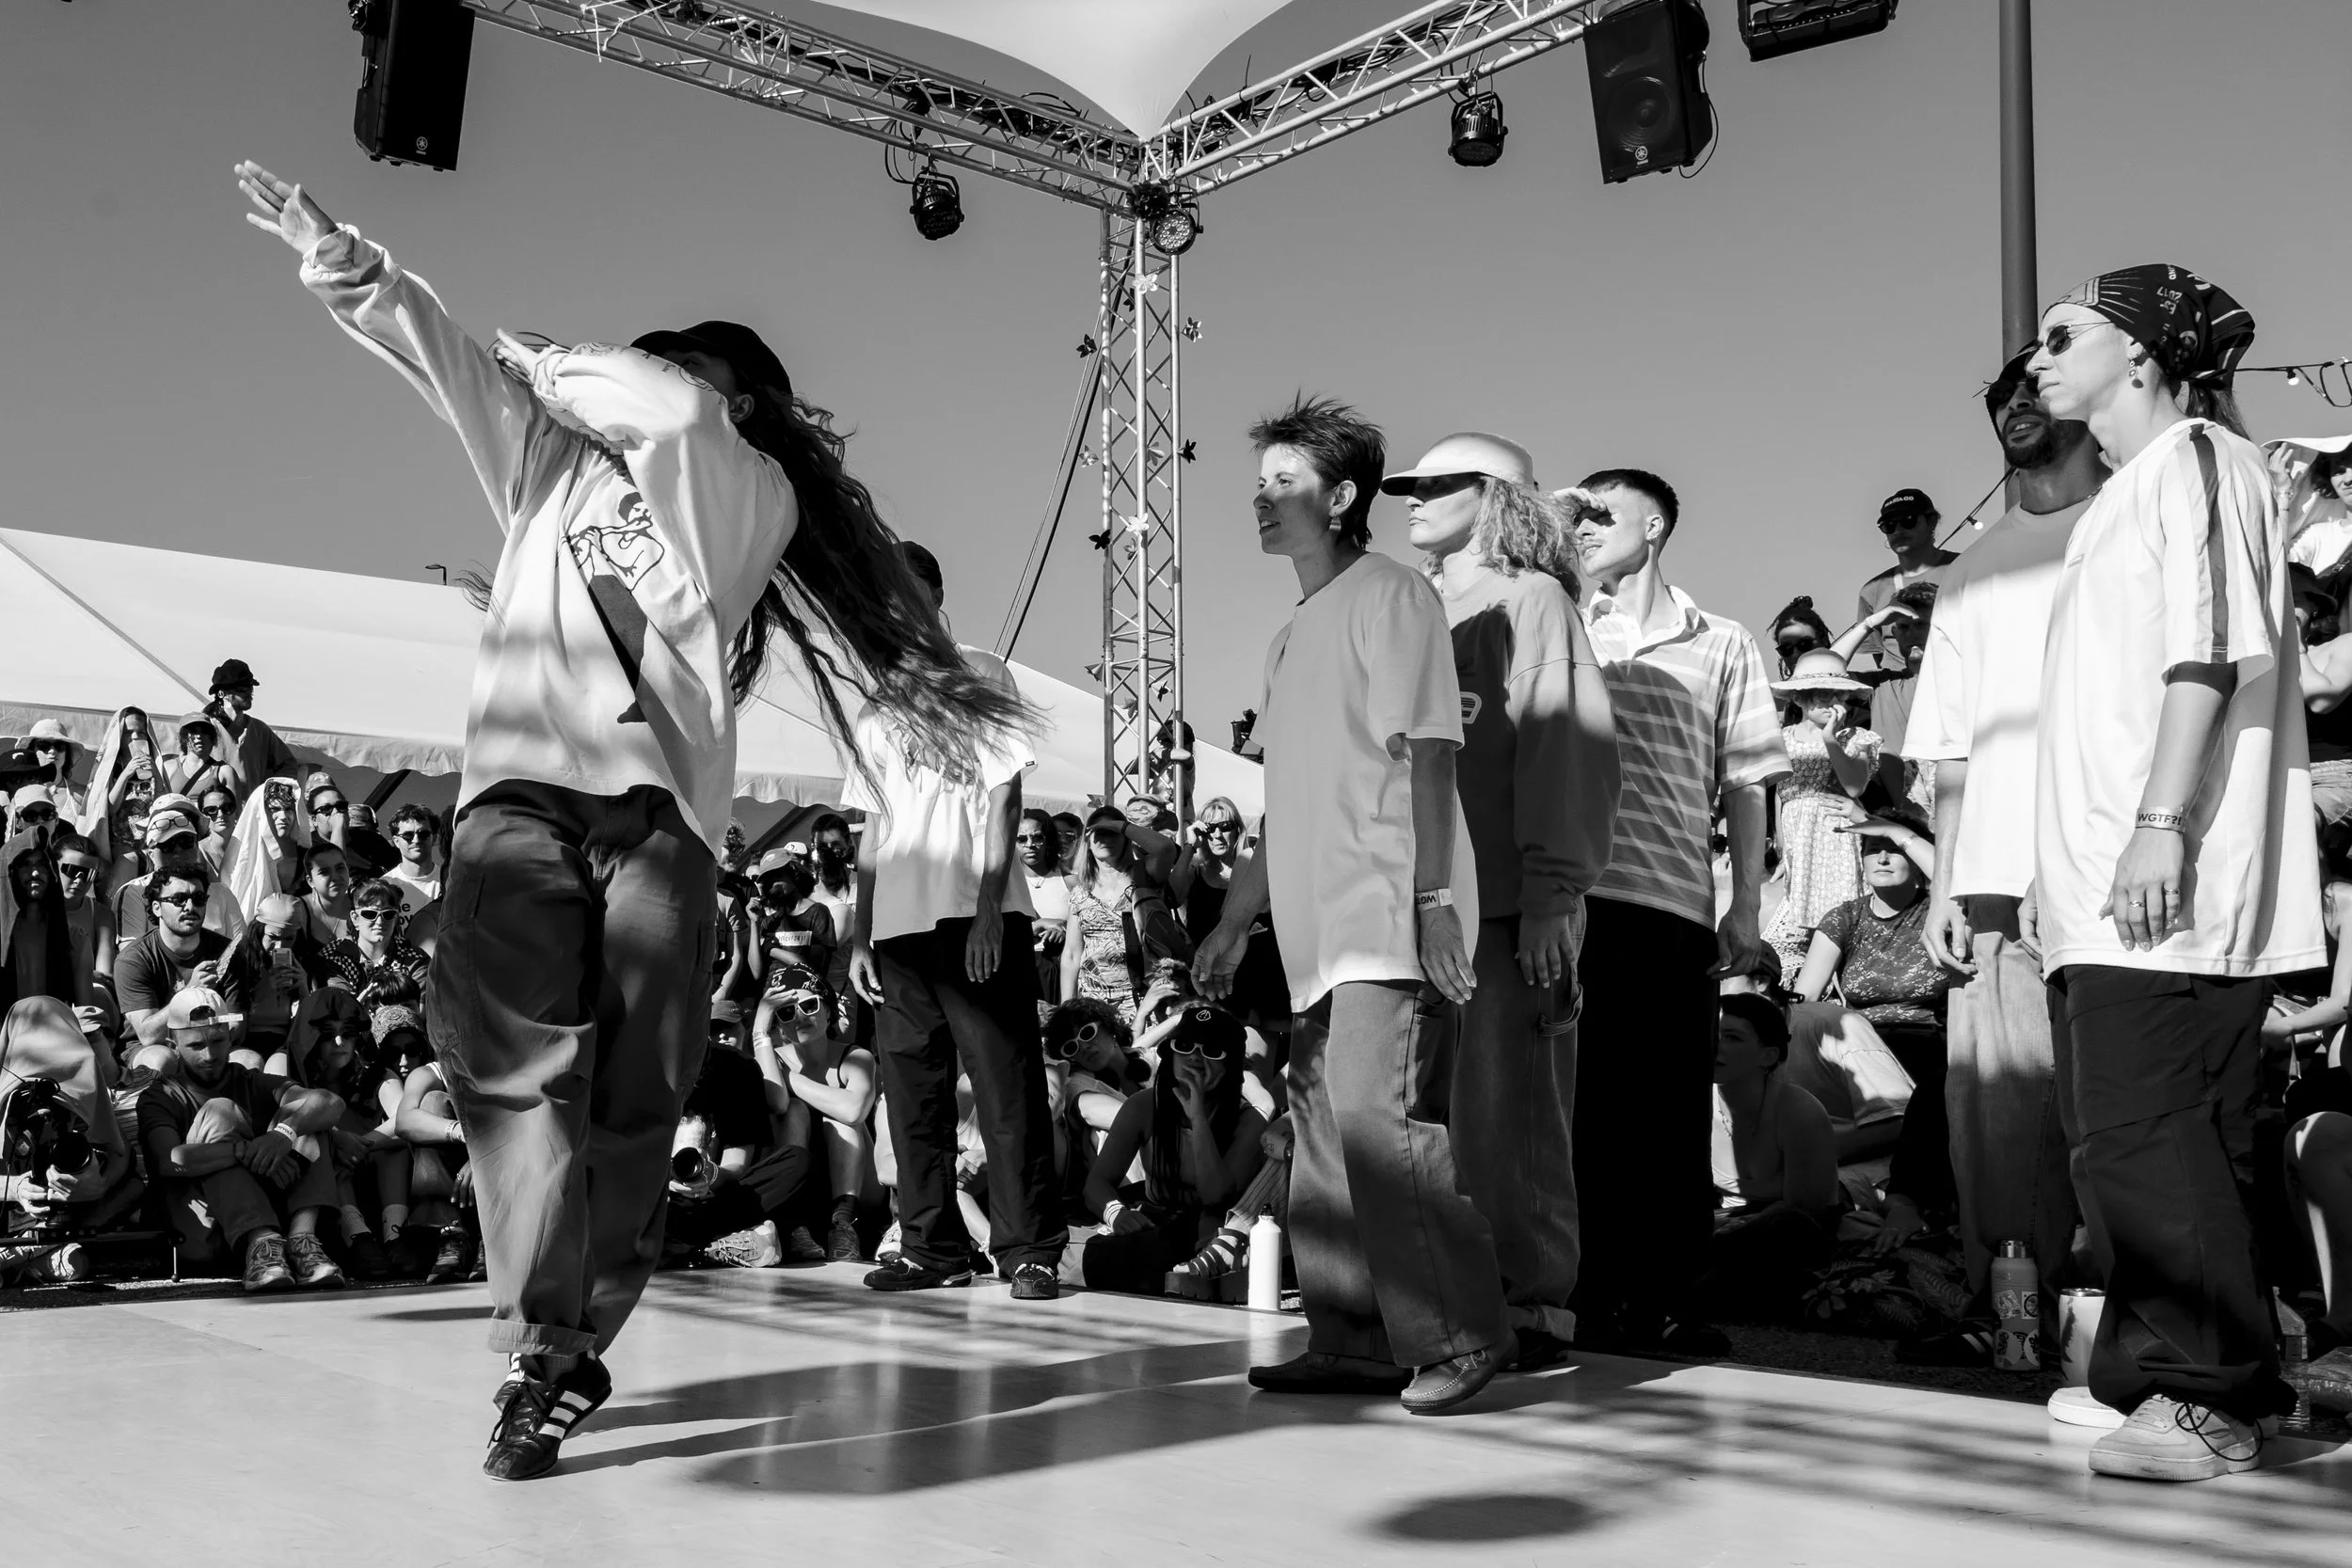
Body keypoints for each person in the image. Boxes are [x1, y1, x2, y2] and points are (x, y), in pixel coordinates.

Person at [241, 160, 1026, 1480]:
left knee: (631, 1098)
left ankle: (564, 1338)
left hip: (658, 822)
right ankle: (546, 1346)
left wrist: (565, 359)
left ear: (743, 401)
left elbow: (670, 414)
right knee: (513, 1075)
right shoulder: (550, 461)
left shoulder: (747, 494)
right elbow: (442, 359)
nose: (644, 370)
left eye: (676, 361)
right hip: (516, 799)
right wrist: (345, 262)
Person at [2026, 263, 2320, 1481]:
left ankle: (2205, 1394)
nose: (2036, 356)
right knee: (2135, 1141)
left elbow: (2205, 652)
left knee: (2155, 1135)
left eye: (2063, 336)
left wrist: (2160, 822)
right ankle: (2174, 1376)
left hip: (2172, 878)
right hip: (2108, 884)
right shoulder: (2124, 491)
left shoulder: (2200, 457)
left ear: (2142, 352)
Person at [1194, 396, 1507, 1416]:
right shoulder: (1289, 636)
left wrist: (1434, 900)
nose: (1263, 498)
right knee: (1322, 1134)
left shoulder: (1393, 594)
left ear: (1340, 498)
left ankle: (1459, 1332)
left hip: (1387, 916)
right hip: (1315, 934)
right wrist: (1234, 918)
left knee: (1379, 1125)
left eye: (1285, 481)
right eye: (1259, 482)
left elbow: (1432, 753)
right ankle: (1352, 1337)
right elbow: (1282, 803)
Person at [1389, 432, 1622, 1367]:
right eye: (1408, 485)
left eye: (1436, 483)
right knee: (1416, 1117)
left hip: (1502, 906)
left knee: (1507, 1117)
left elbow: (1565, 750)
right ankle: (1435, 1304)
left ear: (1493, 497)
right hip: (1411, 905)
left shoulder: (1533, 602)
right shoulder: (1413, 610)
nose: (1411, 497)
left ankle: (1529, 1309)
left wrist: (1553, 895)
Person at [1901, 346, 2106, 1358]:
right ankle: (2005, 1312)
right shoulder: (1973, 569)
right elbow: (1947, 748)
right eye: (2001, 396)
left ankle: (2113, 1319)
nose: (2015, 405)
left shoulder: (2129, 524)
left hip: (2109, 871)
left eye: (2036, 386)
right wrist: (1944, 880)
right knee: (1990, 1113)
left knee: (2113, 1113)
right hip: (1987, 880)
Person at [1572, 467, 1790, 1356]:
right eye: (1576, 515)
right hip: (1575, 898)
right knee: (1584, 1104)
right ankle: (1585, 1294)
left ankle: (1662, 1299)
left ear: (1655, 525)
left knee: (1668, 1111)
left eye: (1601, 512)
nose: (1583, 527)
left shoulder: (1724, 640)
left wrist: (1747, 906)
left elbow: (1747, 779)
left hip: (1676, 904)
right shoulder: (1566, 623)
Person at [843, 541, 1064, 1300]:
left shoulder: (982, 673)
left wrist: (989, 908)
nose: (894, 604)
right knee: (913, 1095)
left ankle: (1029, 1248)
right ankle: (931, 1246)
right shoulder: (875, 705)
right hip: (897, 929)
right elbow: (872, 825)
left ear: (936, 595)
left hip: (975, 915)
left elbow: (1005, 795)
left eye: (907, 590)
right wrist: (859, 933)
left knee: (1004, 1087)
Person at [1791, 814, 1955, 1243]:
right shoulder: (1846, 917)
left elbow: (1953, 878)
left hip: (1926, 1045)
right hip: (1861, 1046)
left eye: (1894, 850)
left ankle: (1905, 1200)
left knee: (1932, 1094)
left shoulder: (1942, 911)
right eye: (1872, 849)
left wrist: (1899, 831)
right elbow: (1804, 998)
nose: (1882, 858)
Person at [137, 984, 351, 1290]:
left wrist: (283, 1135)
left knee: (305, 1115)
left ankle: (302, 1241)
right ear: (174, 1044)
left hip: (273, 1223)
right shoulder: (160, 1096)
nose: (209, 1055)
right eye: (196, 1045)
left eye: (217, 1041)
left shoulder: (250, 1080)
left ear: (231, 1036)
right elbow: (171, 1160)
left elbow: (330, 1103)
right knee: (220, 1111)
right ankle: (261, 1244)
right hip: (202, 1232)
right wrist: (246, 1151)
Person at [1078, 1000, 1265, 1294]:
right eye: (1185, 1047)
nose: (1195, 1058)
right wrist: (1118, 1214)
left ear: (1230, 1065)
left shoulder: (1248, 1119)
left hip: (1219, 1230)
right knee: (1102, 1256)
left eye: (1211, 1051)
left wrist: (1198, 1117)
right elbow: (1098, 1183)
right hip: (1161, 1218)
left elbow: (1216, 1196)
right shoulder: (1143, 1106)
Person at [1705, 993, 1839, 1321]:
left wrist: (1730, 1229)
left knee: (1785, 1230)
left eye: (1732, 1037)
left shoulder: (1799, 1110)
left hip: (1784, 1233)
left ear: (1768, 1055)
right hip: (1717, 1227)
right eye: (1712, 1033)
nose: (1716, 1045)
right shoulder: (1693, 1101)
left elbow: (1808, 1208)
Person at [0, 997, 142, 1285]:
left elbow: (119, 1151)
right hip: (9, 1211)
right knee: (73, 1263)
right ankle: (24, 1257)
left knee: (132, 1189)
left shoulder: (83, 1077)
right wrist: (16, 1188)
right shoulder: (6, 1088)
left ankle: (18, 1258)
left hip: (72, 1214)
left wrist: (97, 1183)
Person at [1759, 650, 1879, 970]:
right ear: (1800, 698)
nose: (1833, 702)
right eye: (1824, 694)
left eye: (1840, 694)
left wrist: (1830, 739)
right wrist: (1783, 846)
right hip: (1798, 835)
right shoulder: (1781, 739)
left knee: (1840, 914)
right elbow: (1781, 794)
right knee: (1797, 918)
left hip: (1836, 834)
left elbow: (1854, 787)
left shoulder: (1856, 738)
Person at [752, 965, 879, 1262]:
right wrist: (759, 1031)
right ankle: (795, 1224)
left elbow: (853, 1111)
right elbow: (778, 1104)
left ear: (829, 1011)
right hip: (801, 1185)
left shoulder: (856, 1057)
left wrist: (788, 1078)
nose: (799, 1016)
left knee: (840, 1118)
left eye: (809, 1006)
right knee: (794, 1109)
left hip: (859, 1188)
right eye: (786, 1013)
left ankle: (843, 1224)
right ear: (778, 1025)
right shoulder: (772, 1055)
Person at [1060, 806, 1186, 1019]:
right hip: (1093, 999)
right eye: (1099, 833)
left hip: (1144, 997)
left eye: (1112, 833)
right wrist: (1066, 1006)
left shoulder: (1143, 874)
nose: (1105, 838)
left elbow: (1165, 848)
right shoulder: (1080, 889)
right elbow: (1072, 954)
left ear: (1125, 838)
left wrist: (1121, 826)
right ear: (1087, 841)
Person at [114, 866, 256, 1050]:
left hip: (214, 1043)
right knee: (159, 1059)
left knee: (249, 1060)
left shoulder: (228, 952)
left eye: (198, 898)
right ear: (156, 908)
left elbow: (237, 1026)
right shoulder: (134, 959)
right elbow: (148, 1036)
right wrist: (190, 991)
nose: (190, 907)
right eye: (179, 899)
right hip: (155, 1047)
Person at [1852, 488, 1955, 674]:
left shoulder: (1966, 568)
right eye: (1889, 525)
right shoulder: (1872, 590)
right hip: (1900, 687)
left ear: (1932, 521)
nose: (1898, 531)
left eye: (1908, 520)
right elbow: (1879, 655)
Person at [201, 659, 300, 805]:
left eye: (250, 687)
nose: (249, 692)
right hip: (217, 811)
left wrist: (272, 794)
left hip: (252, 812)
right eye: (242, 688)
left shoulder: (260, 730)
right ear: (222, 693)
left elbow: (288, 765)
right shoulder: (205, 728)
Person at [223, 776, 311, 918]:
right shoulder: (238, 859)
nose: (283, 816)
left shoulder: (307, 855)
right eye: (274, 809)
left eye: (289, 809)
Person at [1017, 809, 1071, 1002]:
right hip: (1017, 970)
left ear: (1049, 840)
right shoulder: (1005, 886)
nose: (1030, 844)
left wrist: (1065, 929)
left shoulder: (1071, 882)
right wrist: (1038, 925)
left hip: (1062, 969)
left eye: (1037, 837)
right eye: (1021, 839)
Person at [381, 804, 445, 913]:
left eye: (423, 834)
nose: (416, 840)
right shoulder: (385, 886)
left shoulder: (449, 882)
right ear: (396, 841)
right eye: (408, 835)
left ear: (434, 838)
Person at [21, 720, 86, 822]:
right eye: (44, 745)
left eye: (59, 746)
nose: (52, 751)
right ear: (32, 751)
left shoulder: (82, 795)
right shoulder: (18, 793)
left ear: (66, 752)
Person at [165, 719, 230, 803]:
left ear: (212, 738)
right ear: (184, 737)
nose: (198, 736)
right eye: (193, 731)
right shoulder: (168, 768)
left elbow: (235, 809)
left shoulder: (224, 771)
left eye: (204, 731)